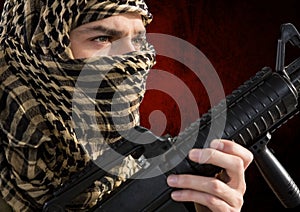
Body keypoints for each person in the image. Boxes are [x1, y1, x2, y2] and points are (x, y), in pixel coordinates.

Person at [0, 0, 253, 211]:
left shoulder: (142, 173)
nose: (134, 59)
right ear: (40, 49)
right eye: (102, 38)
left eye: (139, 40)